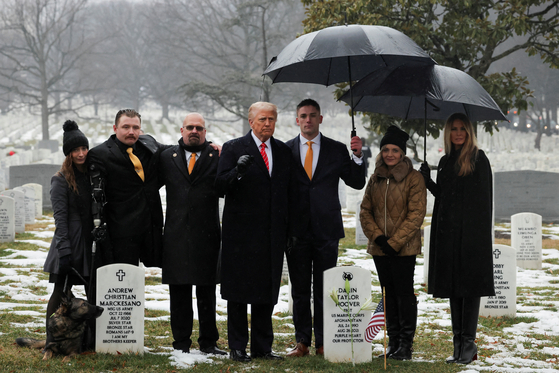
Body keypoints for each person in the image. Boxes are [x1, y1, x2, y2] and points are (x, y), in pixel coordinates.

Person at [285, 98, 366, 357]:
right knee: (299, 289)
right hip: (296, 230)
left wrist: (357, 156)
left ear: (321, 118)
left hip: (326, 229)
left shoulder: (336, 149)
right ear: (297, 120)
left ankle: (323, 341)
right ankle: (302, 342)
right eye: (303, 115)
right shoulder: (285, 150)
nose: (308, 120)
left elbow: (356, 182)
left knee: (324, 288)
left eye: (312, 115)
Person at [215, 102, 291, 363]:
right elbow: (219, 186)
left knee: (265, 292)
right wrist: (238, 171)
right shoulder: (234, 148)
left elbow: (286, 191)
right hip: (241, 234)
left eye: (271, 119)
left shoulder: (281, 151)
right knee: (238, 293)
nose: (267, 123)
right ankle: (237, 347)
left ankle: (262, 347)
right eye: (262, 119)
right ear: (251, 121)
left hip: (271, 234)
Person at [420, 112, 495, 365]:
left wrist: (473, 235)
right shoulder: (445, 160)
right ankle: (457, 345)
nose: (458, 133)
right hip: (449, 236)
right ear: (448, 133)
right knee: (454, 289)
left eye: (463, 128)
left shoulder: (477, 159)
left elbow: (482, 201)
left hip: (471, 237)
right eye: (454, 129)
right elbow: (444, 198)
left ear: (470, 131)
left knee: (469, 289)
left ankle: (469, 344)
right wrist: (427, 180)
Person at [158, 113, 225, 355]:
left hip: (206, 233)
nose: (194, 131)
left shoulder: (216, 156)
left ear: (205, 132)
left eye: (199, 128)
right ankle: (181, 343)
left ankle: (208, 342)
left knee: (206, 293)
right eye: (190, 127)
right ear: (182, 130)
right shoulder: (167, 156)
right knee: (179, 293)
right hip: (175, 234)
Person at [360, 125, 426, 360]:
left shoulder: (414, 178)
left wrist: (395, 242)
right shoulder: (375, 177)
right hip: (380, 248)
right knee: (388, 293)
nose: (390, 154)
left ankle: (405, 345)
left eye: (395, 150)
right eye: (386, 149)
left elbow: (416, 214)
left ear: (402, 153)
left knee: (403, 294)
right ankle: (393, 342)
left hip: (404, 248)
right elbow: (365, 211)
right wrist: (378, 238)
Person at [87, 109, 167, 267]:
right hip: (121, 231)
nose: (131, 132)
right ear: (115, 128)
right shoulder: (100, 154)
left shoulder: (148, 144)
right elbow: (96, 195)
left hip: (150, 227)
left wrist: (209, 146)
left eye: (136, 127)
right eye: (126, 127)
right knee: (124, 281)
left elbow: (175, 151)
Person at [44, 120, 93, 348]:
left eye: (84, 148)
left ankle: (89, 339)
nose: (81, 153)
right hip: (70, 242)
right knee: (61, 291)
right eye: (76, 150)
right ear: (68, 153)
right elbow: (60, 219)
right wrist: (64, 251)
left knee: (92, 290)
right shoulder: (60, 179)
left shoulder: (93, 174)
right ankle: (51, 340)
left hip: (90, 241)